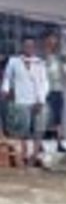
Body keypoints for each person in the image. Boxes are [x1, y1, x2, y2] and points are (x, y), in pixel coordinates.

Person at [1, 36, 49, 166]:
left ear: (35, 48)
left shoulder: (39, 63)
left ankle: (33, 157)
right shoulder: (14, 61)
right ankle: (23, 157)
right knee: (22, 132)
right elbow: (7, 78)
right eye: (26, 45)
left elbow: (44, 82)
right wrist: (4, 90)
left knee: (38, 130)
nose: (29, 48)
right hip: (21, 100)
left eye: (32, 46)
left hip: (37, 101)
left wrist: (41, 100)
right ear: (22, 46)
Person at [43, 32, 66, 152]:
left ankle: (59, 142)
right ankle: (39, 142)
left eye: (54, 43)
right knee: (41, 117)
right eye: (50, 42)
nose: (52, 45)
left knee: (57, 117)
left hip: (56, 90)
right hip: (42, 91)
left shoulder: (61, 59)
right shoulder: (41, 59)